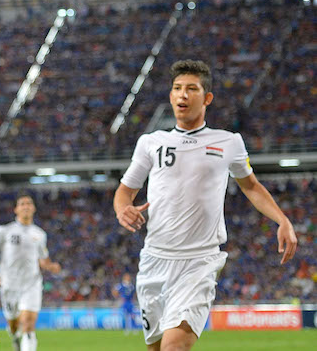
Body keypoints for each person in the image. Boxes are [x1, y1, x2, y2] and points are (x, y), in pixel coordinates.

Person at [114, 59, 298, 351]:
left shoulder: (228, 142)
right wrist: (122, 209)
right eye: (177, 88)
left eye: (191, 89)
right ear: (171, 95)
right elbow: (125, 191)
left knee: (174, 347)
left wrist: (282, 220)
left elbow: (251, 186)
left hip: (199, 261)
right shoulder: (151, 142)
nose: (182, 95)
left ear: (207, 97)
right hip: (154, 260)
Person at [0, 194, 60, 351]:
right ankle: (15, 336)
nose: (26, 206)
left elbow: (43, 259)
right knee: (13, 324)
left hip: (31, 284)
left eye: (29, 203)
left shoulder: (40, 234)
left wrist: (51, 266)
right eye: (22, 204)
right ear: (16, 209)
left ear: (33, 208)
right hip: (8, 284)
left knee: (28, 323)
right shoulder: (4, 231)